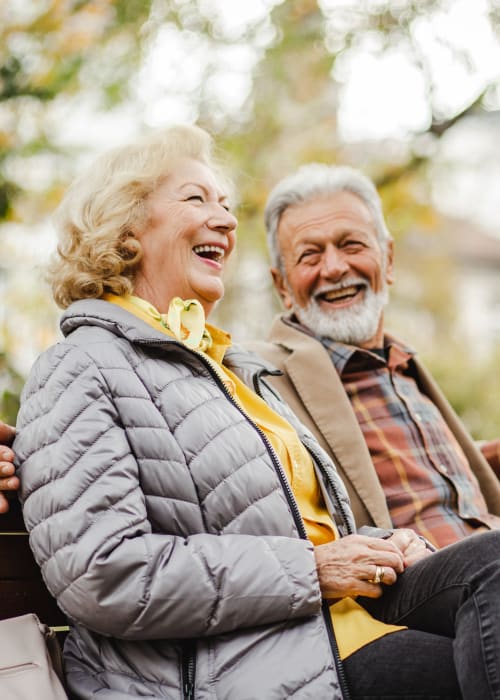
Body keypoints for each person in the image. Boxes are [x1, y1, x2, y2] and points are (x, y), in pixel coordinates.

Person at [11, 124, 500, 700]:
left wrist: (382, 542)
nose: (225, 219)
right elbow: (103, 573)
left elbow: (288, 527)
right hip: (245, 667)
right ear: (126, 231)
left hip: (335, 625)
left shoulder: (226, 367)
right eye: (196, 199)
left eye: (224, 203)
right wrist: (313, 570)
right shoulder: (77, 367)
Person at [247, 163, 500, 549]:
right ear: (282, 285)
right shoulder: (261, 377)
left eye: (352, 245)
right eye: (310, 256)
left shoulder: (401, 363)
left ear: (389, 259)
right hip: (412, 586)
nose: (334, 268)